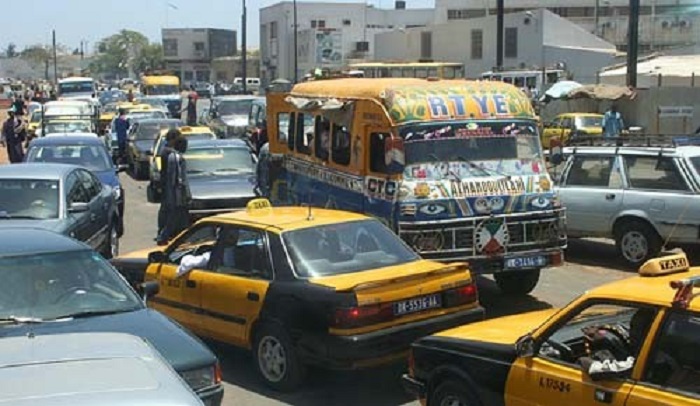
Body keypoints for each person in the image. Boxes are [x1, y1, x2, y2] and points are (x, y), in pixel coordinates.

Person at [158, 136, 191, 245]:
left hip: (171, 193)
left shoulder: (172, 156)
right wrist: (186, 194)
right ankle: (163, 237)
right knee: (174, 217)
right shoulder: (178, 158)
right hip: (177, 194)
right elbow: (180, 179)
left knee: (181, 218)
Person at [156, 129, 181, 240]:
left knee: (166, 208)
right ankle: (164, 232)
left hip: (166, 184)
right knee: (169, 209)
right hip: (168, 184)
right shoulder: (167, 152)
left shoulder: (166, 151)